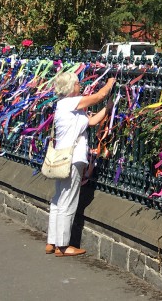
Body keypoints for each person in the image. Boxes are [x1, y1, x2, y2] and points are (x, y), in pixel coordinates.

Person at [46, 72, 115, 257]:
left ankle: (52, 241)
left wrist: (107, 109)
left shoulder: (65, 106)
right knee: (68, 200)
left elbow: (91, 122)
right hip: (72, 158)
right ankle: (63, 246)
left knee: (59, 198)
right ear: (70, 88)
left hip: (61, 159)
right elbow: (99, 96)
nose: (80, 86)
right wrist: (110, 83)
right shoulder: (70, 103)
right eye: (77, 83)